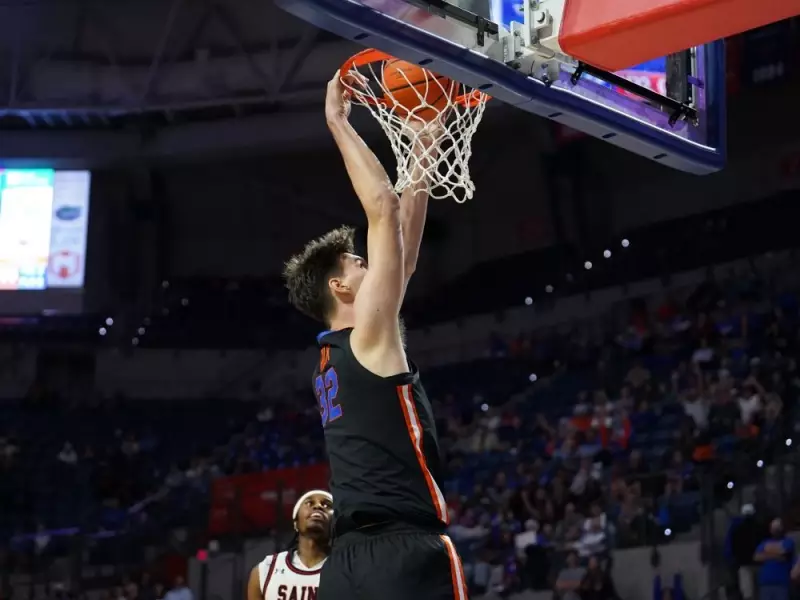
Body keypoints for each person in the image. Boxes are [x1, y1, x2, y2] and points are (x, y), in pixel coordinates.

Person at [283, 73, 467, 600]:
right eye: (359, 262)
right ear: (340, 286)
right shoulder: (367, 336)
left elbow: (402, 259)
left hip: (346, 567)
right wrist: (338, 122)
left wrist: (424, 151)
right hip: (405, 552)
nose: (372, 265)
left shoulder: (328, 358)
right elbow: (384, 208)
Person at [246, 490, 333, 600]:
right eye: (309, 503)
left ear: (335, 524)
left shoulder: (348, 570)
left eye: (327, 505)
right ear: (296, 523)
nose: (318, 506)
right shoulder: (265, 570)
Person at [753, 518, 795, 600]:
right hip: (765, 583)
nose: (775, 530)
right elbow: (756, 557)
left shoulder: (788, 541)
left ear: (782, 528)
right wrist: (776, 556)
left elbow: (783, 552)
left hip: (781, 583)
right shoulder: (764, 542)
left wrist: (766, 552)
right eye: (773, 528)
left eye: (777, 527)